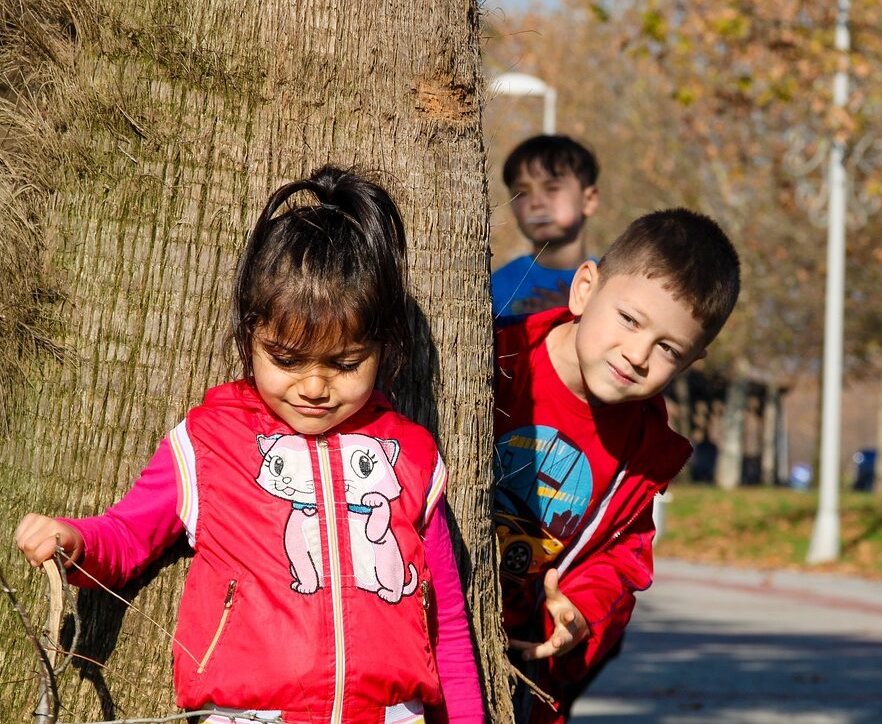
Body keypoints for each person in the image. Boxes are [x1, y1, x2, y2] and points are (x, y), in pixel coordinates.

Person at [15, 166, 484, 724]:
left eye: (345, 364)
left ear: (382, 349)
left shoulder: (410, 456)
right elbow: (127, 535)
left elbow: (448, 625)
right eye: (286, 360)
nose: (314, 386)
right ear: (248, 336)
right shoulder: (207, 443)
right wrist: (75, 542)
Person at [492, 208, 741, 723]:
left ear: (693, 361)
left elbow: (624, 558)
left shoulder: (644, 452)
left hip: (520, 668)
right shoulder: (496, 359)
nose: (637, 354)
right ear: (585, 288)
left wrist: (579, 613)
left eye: (668, 348)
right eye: (629, 319)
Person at [491, 135, 600, 319]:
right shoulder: (494, 287)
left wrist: (574, 319)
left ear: (588, 200)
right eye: (522, 193)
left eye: (552, 188)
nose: (536, 203)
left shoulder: (609, 285)